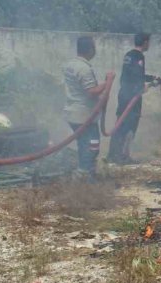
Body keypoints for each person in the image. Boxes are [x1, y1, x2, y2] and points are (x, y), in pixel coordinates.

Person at [108, 32, 156, 164]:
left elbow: (132, 74)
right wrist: (141, 87)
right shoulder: (139, 56)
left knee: (120, 124)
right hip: (132, 97)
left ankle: (113, 155)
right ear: (145, 42)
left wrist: (151, 78)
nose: (149, 44)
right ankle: (122, 157)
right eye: (149, 42)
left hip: (124, 95)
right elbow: (136, 77)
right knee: (129, 126)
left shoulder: (129, 55)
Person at [63, 36, 107, 177]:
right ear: (90, 49)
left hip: (73, 113)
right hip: (84, 116)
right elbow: (91, 92)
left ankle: (86, 172)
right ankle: (85, 176)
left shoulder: (70, 64)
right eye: (94, 47)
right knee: (92, 146)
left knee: (83, 144)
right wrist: (108, 82)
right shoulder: (84, 68)